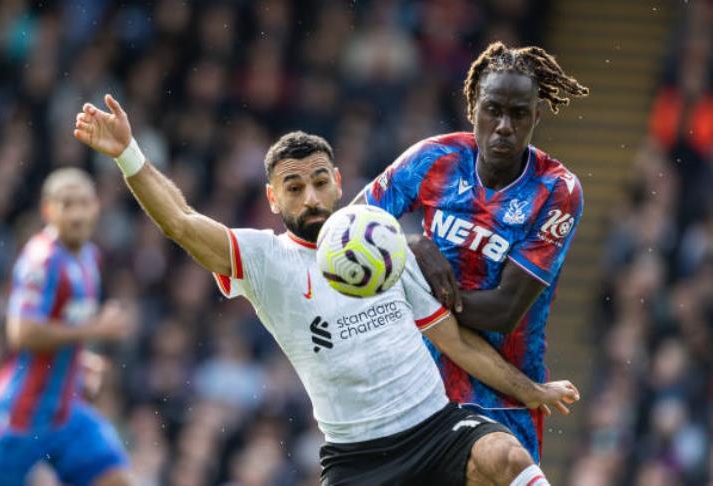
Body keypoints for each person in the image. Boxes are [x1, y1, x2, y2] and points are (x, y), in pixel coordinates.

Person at [74, 95, 578, 485]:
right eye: (294, 188)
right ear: (273, 198)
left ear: (338, 181)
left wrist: (531, 391)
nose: (311, 197)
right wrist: (129, 155)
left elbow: (456, 341)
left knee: (507, 457)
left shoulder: (382, 240)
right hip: (357, 458)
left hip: (436, 430)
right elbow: (182, 223)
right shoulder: (265, 260)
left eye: (319, 182)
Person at [354, 41, 590, 462]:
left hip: (504, 394)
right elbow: (351, 232)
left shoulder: (556, 191)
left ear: (536, 116)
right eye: (493, 109)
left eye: (518, 114)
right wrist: (411, 244)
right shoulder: (434, 159)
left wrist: (411, 290)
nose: (503, 126)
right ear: (472, 108)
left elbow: (504, 311)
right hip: (420, 381)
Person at [0, 168, 133, 485]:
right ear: (48, 210)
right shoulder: (42, 259)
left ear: (96, 207)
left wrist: (77, 362)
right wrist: (94, 329)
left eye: (83, 203)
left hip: (66, 411)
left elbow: (63, 324)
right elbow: (22, 332)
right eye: (67, 205)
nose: (77, 214)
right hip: (22, 416)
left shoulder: (90, 257)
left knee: (116, 478)